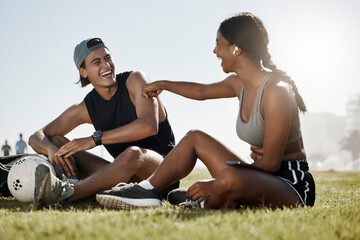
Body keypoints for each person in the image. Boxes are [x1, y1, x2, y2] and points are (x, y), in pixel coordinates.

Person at [95, 12, 316, 210]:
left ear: (236, 48)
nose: (214, 50)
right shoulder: (238, 83)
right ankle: (146, 191)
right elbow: (201, 91)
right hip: (259, 177)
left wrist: (215, 183)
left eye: (218, 43)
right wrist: (164, 84)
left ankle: (211, 200)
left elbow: (269, 164)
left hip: (290, 184)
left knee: (229, 178)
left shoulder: (276, 92)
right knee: (194, 137)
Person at [29, 38, 178, 208]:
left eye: (108, 58)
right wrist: (51, 150)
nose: (106, 65)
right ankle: (72, 183)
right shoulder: (87, 107)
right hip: (122, 173)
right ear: (83, 72)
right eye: (97, 62)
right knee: (56, 141)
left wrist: (94, 139)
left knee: (133, 154)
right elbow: (36, 136)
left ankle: (67, 193)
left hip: (163, 175)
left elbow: (148, 125)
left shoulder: (135, 80)